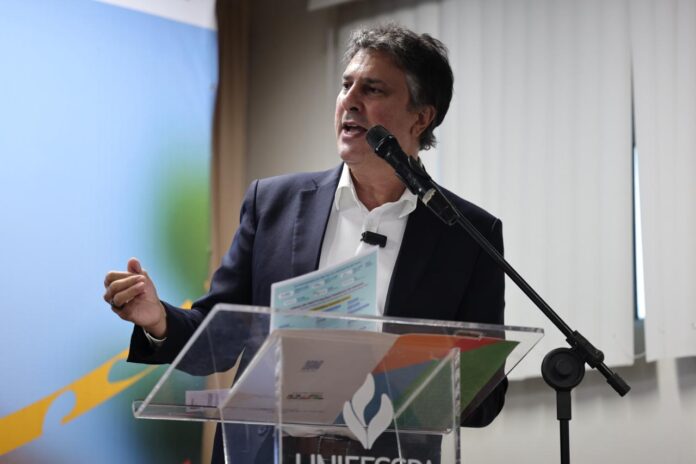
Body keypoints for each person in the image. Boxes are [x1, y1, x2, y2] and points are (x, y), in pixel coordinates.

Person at [104, 23, 506, 463]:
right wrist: (158, 319)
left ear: (421, 117)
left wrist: (419, 376)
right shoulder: (274, 204)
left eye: (372, 89)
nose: (350, 101)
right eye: (346, 85)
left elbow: (484, 401)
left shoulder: (467, 234)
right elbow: (217, 339)